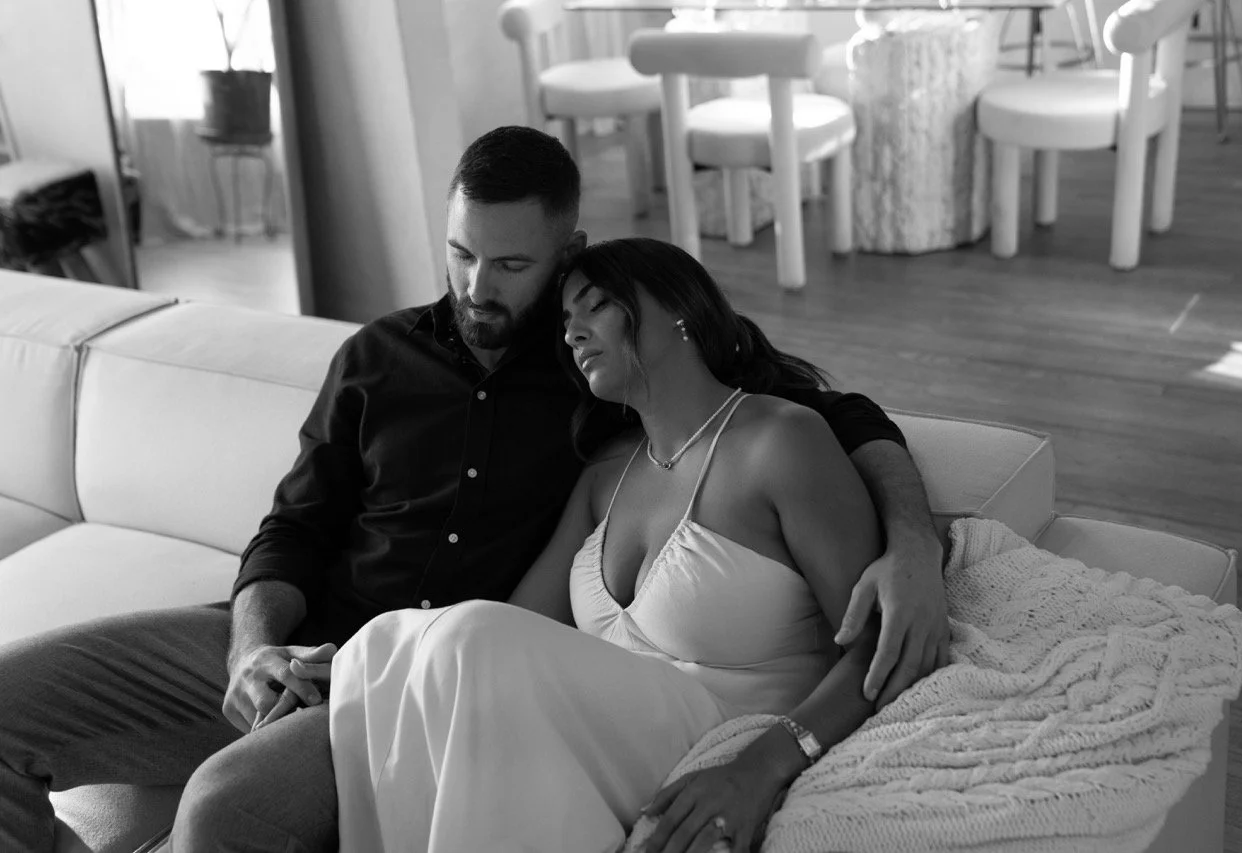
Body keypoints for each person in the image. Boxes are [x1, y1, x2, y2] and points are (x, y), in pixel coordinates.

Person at [0, 126, 945, 853]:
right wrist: (254, 648)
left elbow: (829, 411)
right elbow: (291, 526)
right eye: (460, 254)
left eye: (513, 265)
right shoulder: (377, 355)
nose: (477, 286)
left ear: (567, 250)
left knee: (223, 813)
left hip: (426, 686)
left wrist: (909, 545)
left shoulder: (598, 377)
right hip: (310, 645)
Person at [328, 236, 902, 853]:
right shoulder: (606, 474)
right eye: (566, 321)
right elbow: (518, 626)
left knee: (468, 638)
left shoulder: (781, 441)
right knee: (378, 645)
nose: (573, 333)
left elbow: (875, 640)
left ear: (680, 307)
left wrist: (761, 765)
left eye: (595, 306)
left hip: (727, 736)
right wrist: (388, 655)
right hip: (609, 747)